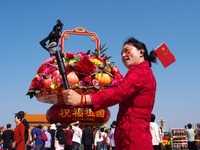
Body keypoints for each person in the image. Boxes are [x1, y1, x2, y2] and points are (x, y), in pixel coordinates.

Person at [63, 37, 157, 149]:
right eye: (121, 53)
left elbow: (118, 92)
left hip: (133, 141)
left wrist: (83, 99)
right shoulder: (142, 72)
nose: (123, 55)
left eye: (127, 50)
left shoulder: (140, 71)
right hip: (133, 138)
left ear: (141, 52)